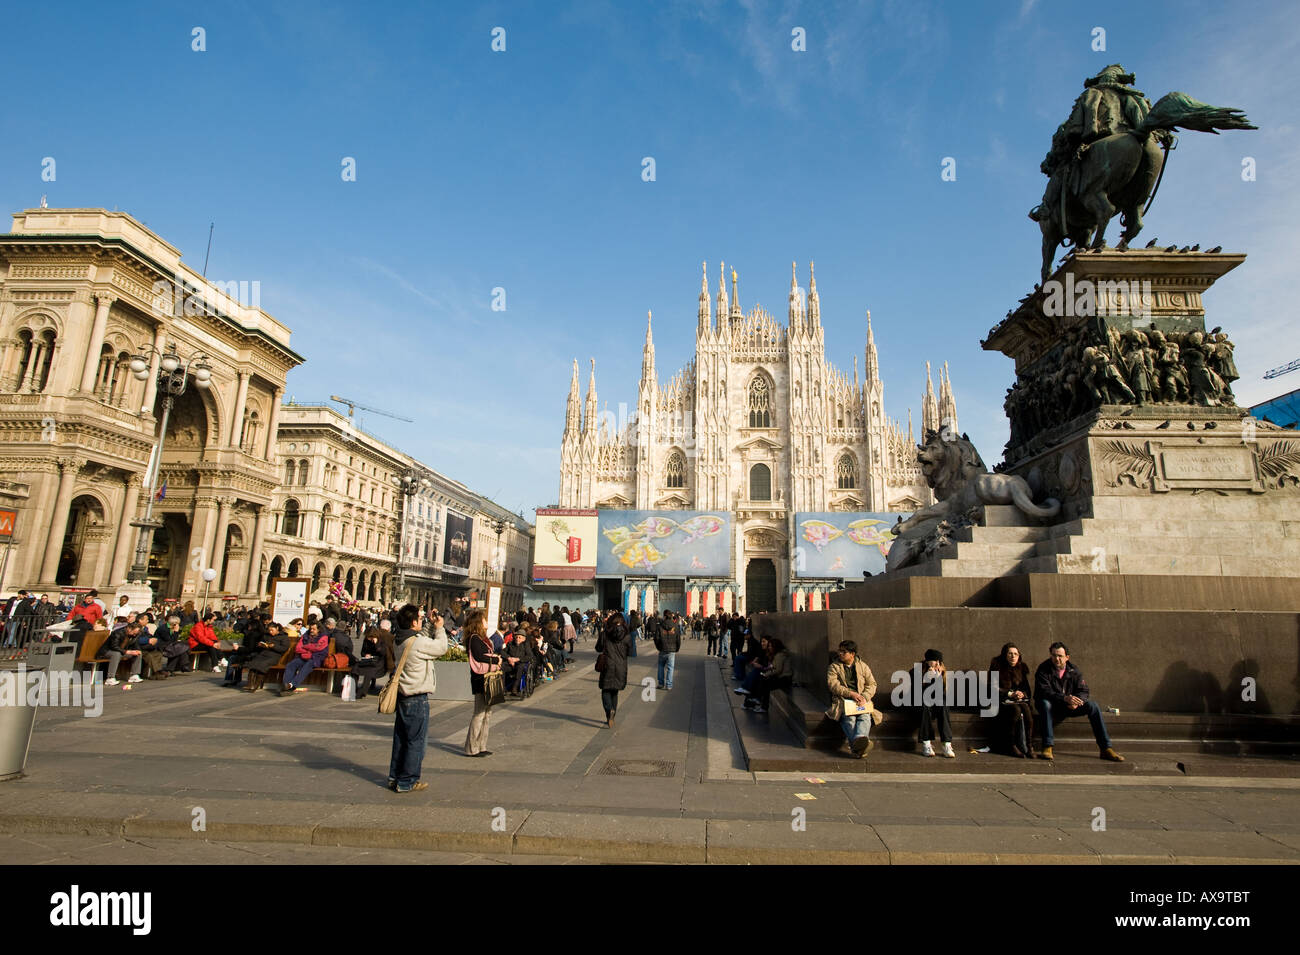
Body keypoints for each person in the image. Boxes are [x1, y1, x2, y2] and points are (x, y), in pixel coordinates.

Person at [1035, 642, 1124, 762]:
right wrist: (1065, 698)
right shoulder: (1043, 669)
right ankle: (1047, 746)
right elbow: (1044, 691)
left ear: (1067, 657)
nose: (1057, 659)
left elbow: (1084, 690)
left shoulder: (1074, 670)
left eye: (1060, 656)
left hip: (1070, 706)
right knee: (1045, 703)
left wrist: (1077, 702)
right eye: (1054, 655)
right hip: (1053, 705)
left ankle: (1106, 748)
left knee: (1093, 706)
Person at [388, 603, 440, 793]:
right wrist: (440, 629)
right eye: (419, 619)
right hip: (417, 697)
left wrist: (429, 626)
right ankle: (408, 780)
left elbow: (420, 639)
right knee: (415, 741)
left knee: (401, 739)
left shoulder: (400, 639)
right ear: (412, 622)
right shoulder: (417, 642)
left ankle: (395, 776)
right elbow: (440, 648)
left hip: (403, 695)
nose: (421, 620)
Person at [827, 640, 878, 758]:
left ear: (852, 654)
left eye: (843, 652)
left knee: (865, 717)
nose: (840, 653)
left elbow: (872, 684)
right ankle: (860, 746)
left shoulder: (863, 666)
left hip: (861, 700)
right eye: (839, 651)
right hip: (843, 700)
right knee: (849, 719)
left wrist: (864, 697)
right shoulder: (834, 667)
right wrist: (850, 694)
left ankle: (858, 744)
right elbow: (833, 685)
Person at [464, 609, 499, 758]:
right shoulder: (474, 639)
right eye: (484, 620)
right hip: (480, 678)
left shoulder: (483, 638)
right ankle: (472, 747)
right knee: (479, 713)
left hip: (489, 676)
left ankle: (482, 745)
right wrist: (496, 660)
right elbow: (479, 656)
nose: (487, 622)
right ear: (479, 622)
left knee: (487, 713)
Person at [990, 642, 1035, 758]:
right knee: (1015, 710)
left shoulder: (1022, 668)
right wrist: (1010, 693)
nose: (1013, 656)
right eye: (1010, 654)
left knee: (1026, 710)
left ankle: (1029, 746)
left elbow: (1027, 691)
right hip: (1001, 701)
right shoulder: (996, 666)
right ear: (1005, 655)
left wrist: (1021, 694)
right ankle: (1011, 745)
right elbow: (992, 687)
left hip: (1018, 701)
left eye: (1016, 654)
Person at [918, 649, 956, 758]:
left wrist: (937, 679)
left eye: (937, 663)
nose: (935, 665)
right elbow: (917, 694)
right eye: (932, 662)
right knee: (925, 704)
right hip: (919, 704)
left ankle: (946, 744)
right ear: (926, 662)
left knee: (943, 704)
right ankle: (926, 743)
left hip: (937, 706)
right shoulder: (917, 672)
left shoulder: (943, 674)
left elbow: (944, 696)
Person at [596, 613, 630, 728]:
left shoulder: (605, 633)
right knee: (615, 691)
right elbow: (630, 651)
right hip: (621, 665)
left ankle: (608, 711)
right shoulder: (626, 635)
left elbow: (598, 648)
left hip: (608, 665)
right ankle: (613, 714)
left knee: (605, 690)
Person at [97, 620, 145, 685]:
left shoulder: (134, 635)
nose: (135, 634)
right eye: (134, 632)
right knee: (116, 654)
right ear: (129, 629)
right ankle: (110, 678)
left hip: (122, 652)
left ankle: (134, 675)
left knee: (137, 653)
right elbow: (114, 646)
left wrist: (137, 650)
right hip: (107, 651)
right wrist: (127, 651)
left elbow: (135, 644)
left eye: (136, 633)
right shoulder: (117, 633)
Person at [653, 610, 681, 691]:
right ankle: (668, 685)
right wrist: (677, 648)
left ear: (664, 616)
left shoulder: (660, 626)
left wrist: (659, 647)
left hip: (662, 649)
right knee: (670, 668)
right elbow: (678, 639)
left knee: (661, 666)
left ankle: (661, 683)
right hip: (672, 650)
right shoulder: (675, 626)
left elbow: (656, 638)